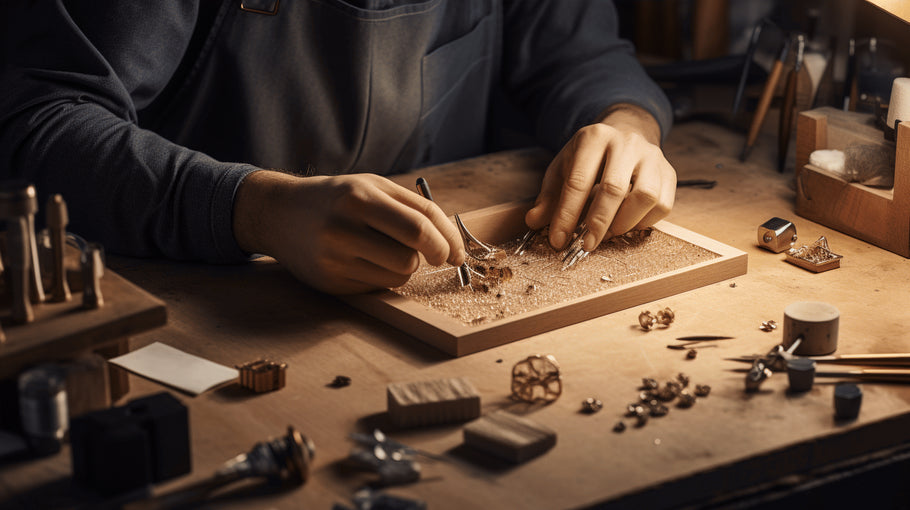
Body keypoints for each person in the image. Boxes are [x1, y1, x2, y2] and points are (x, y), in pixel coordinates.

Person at [0, 0, 675, 294]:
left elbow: (580, 53)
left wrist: (627, 123)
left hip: (420, 294)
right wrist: (251, 209)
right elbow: (40, 123)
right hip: (214, 306)